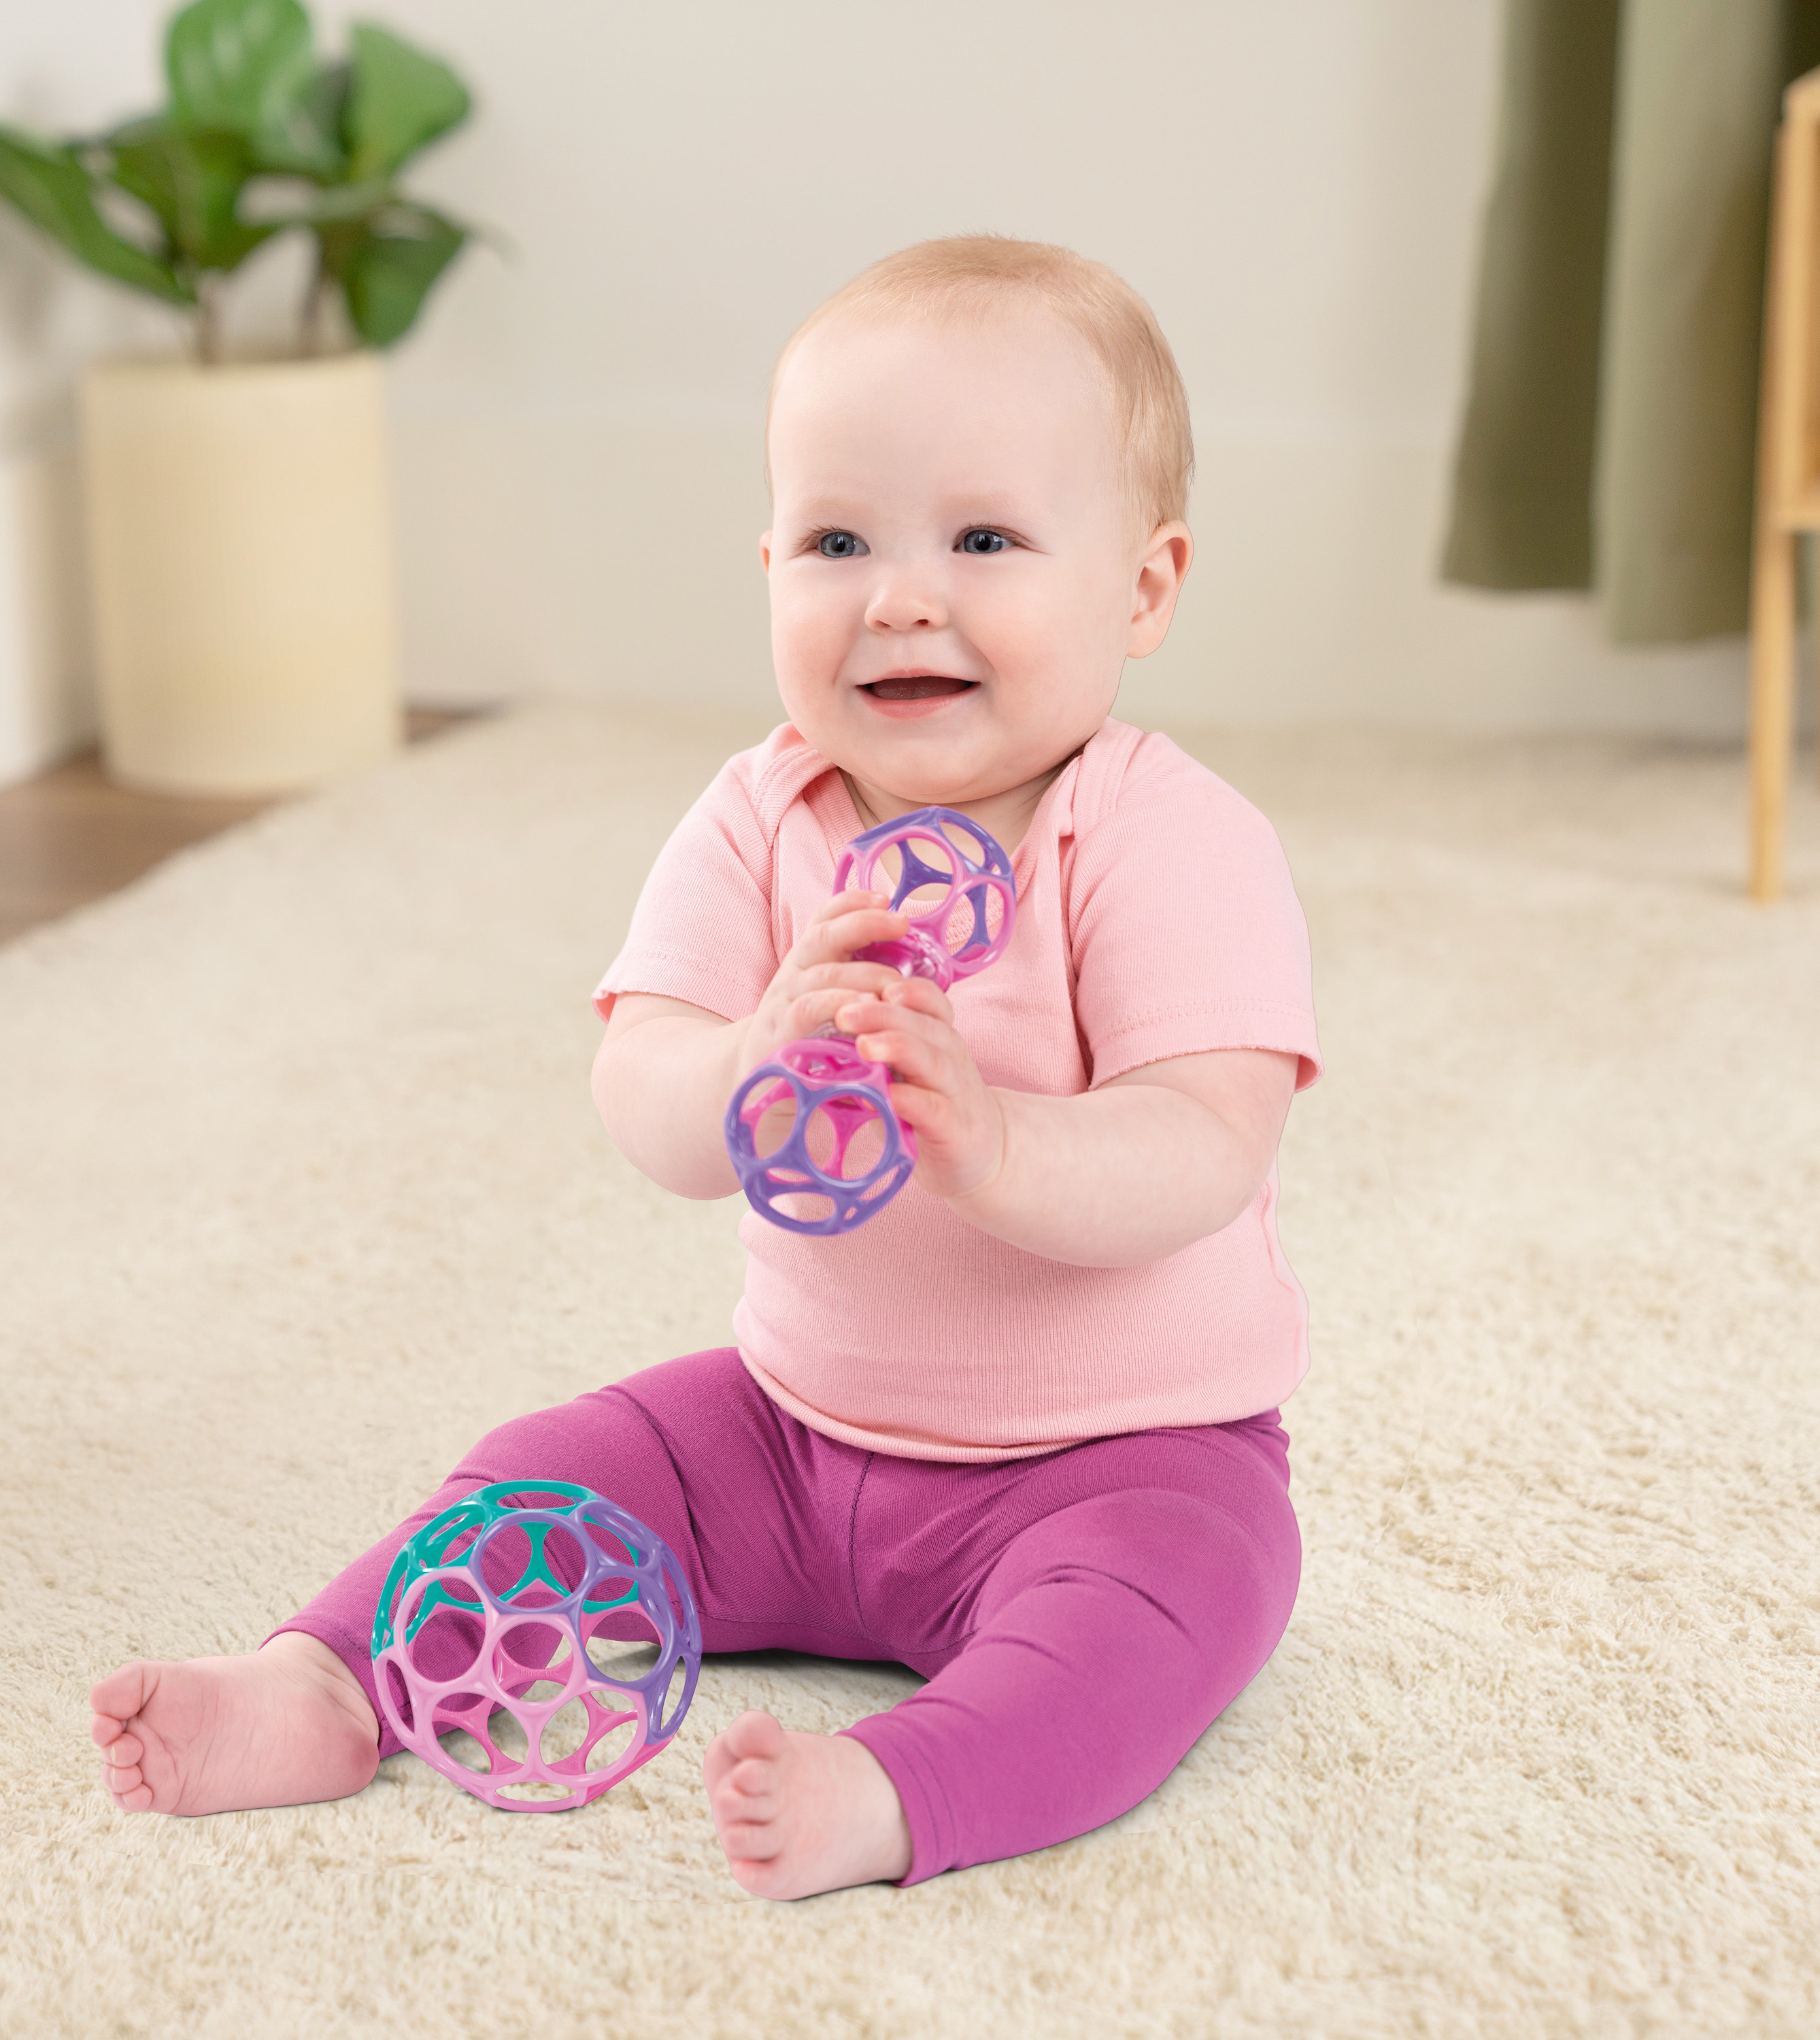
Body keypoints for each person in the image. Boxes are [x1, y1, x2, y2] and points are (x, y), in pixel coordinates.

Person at [89, 235, 1321, 1901]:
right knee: (547, 1471)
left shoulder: (1169, 836)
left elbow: (1208, 1142)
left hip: (1122, 1461)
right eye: (836, 541)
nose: (899, 596)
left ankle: (899, 1789)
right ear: (768, 567)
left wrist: (999, 1145)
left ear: (1144, 589)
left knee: (1164, 1618)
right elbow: (647, 1095)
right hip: (793, 1435)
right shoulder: (761, 817)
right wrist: (747, 1058)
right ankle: (324, 1683)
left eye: (983, 540)